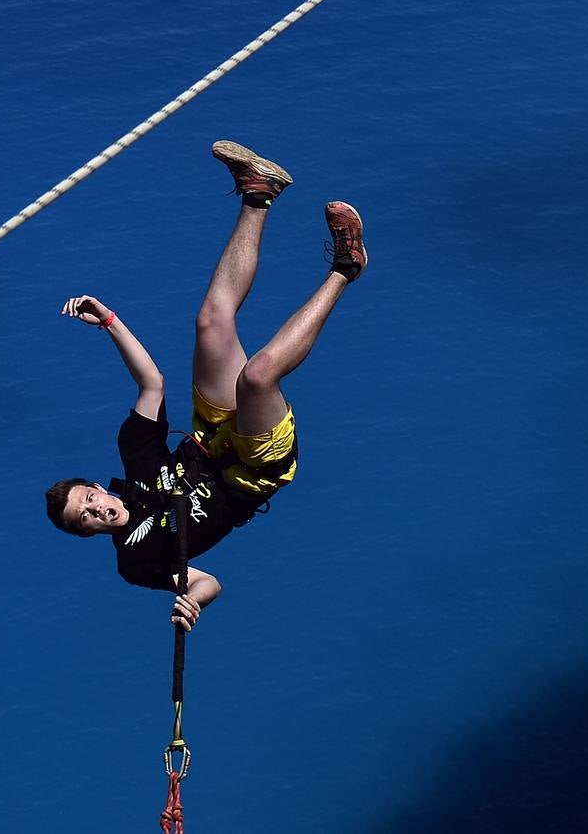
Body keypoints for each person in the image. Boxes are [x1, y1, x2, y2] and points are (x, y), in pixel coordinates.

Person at [44, 141, 367, 633]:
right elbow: (206, 581)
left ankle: (259, 193)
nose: (96, 510)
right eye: (84, 519)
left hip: (211, 431)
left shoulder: (136, 459)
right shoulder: (136, 561)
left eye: (87, 501)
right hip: (251, 471)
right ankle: (346, 268)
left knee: (211, 321)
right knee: (258, 376)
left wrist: (109, 320)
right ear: (86, 534)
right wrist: (192, 601)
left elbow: (151, 382)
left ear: (93, 487)